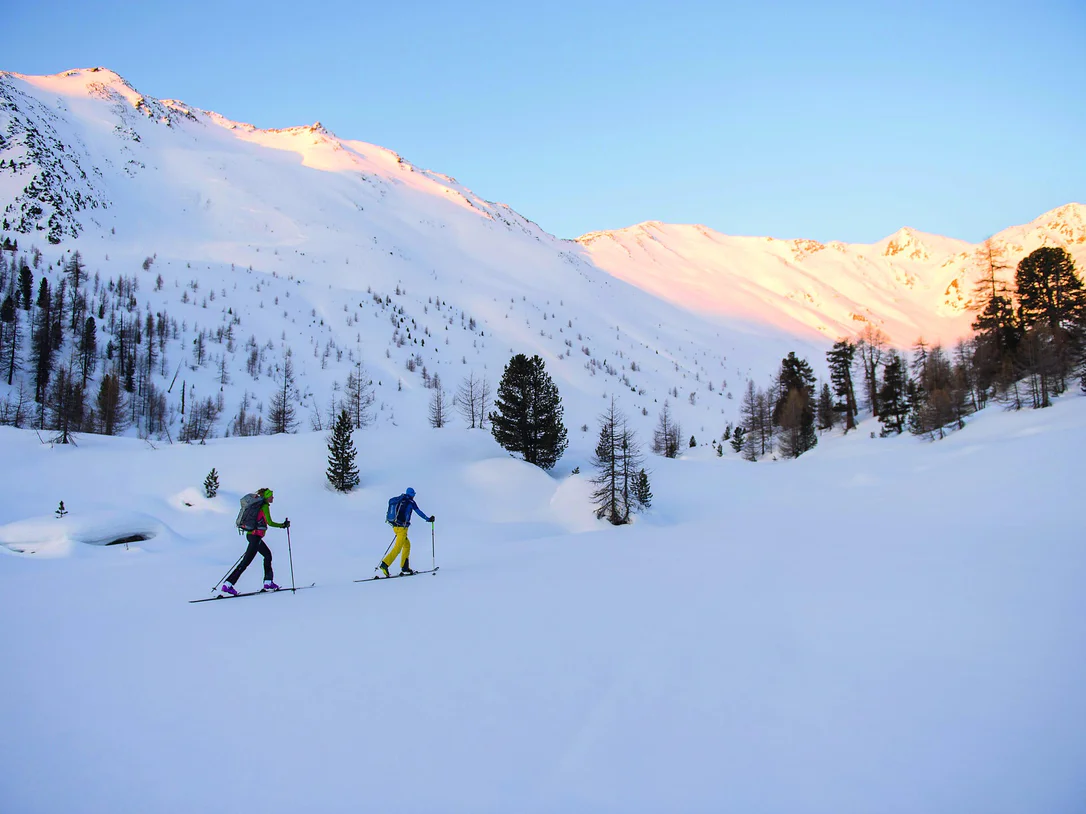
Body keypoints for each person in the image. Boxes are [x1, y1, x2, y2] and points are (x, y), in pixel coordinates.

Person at [222, 487, 290, 594]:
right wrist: (283, 525)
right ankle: (228, 584)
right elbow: (270, 522)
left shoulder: (259, 505)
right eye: (271, 495)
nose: (273, 497)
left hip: (252, 536)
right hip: (255, 537)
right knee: (248, 561)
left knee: (266, 556)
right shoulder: (264, 506)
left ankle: (267, 581)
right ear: (267, 497)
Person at [378, 487, 434, 577]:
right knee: (397, 548)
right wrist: (428, 519)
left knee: (407, 545)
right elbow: (418, 512)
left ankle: (405, 567)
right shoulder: (410, 502)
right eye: (414, 494)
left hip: (395, 527)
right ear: (411, 494)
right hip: (402, 528)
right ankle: (384, 564)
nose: (414, 495)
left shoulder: (401, 499)